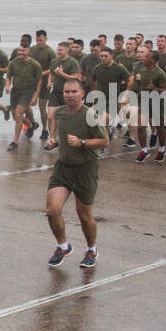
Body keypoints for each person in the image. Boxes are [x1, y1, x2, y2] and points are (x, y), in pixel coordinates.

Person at [44, 80, 108, 269]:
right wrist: (53, 138)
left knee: (84, 216)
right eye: (66, 92)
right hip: (63, 168)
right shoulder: (60, 112)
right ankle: (63, 246)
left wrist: (82, 142)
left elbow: (104, 141)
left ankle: (91, 249)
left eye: (73, 92)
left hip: (85, 169)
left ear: (82, 94)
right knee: (52, 210)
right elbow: (55, 122)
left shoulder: (90, 115)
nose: (70, 95)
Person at [4, 44, 43, 148]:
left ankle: (15, 141)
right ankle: (31, 124)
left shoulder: (35, 64)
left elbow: (40, 81)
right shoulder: (13, 63)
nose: (21, 53)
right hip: (15, 91)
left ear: (28, 51)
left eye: (23, 51)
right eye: (19, 50)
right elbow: (8, 76)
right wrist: (7, 86)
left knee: (18, 114)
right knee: (15, 116)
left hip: (27, 91)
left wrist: (35, 97)